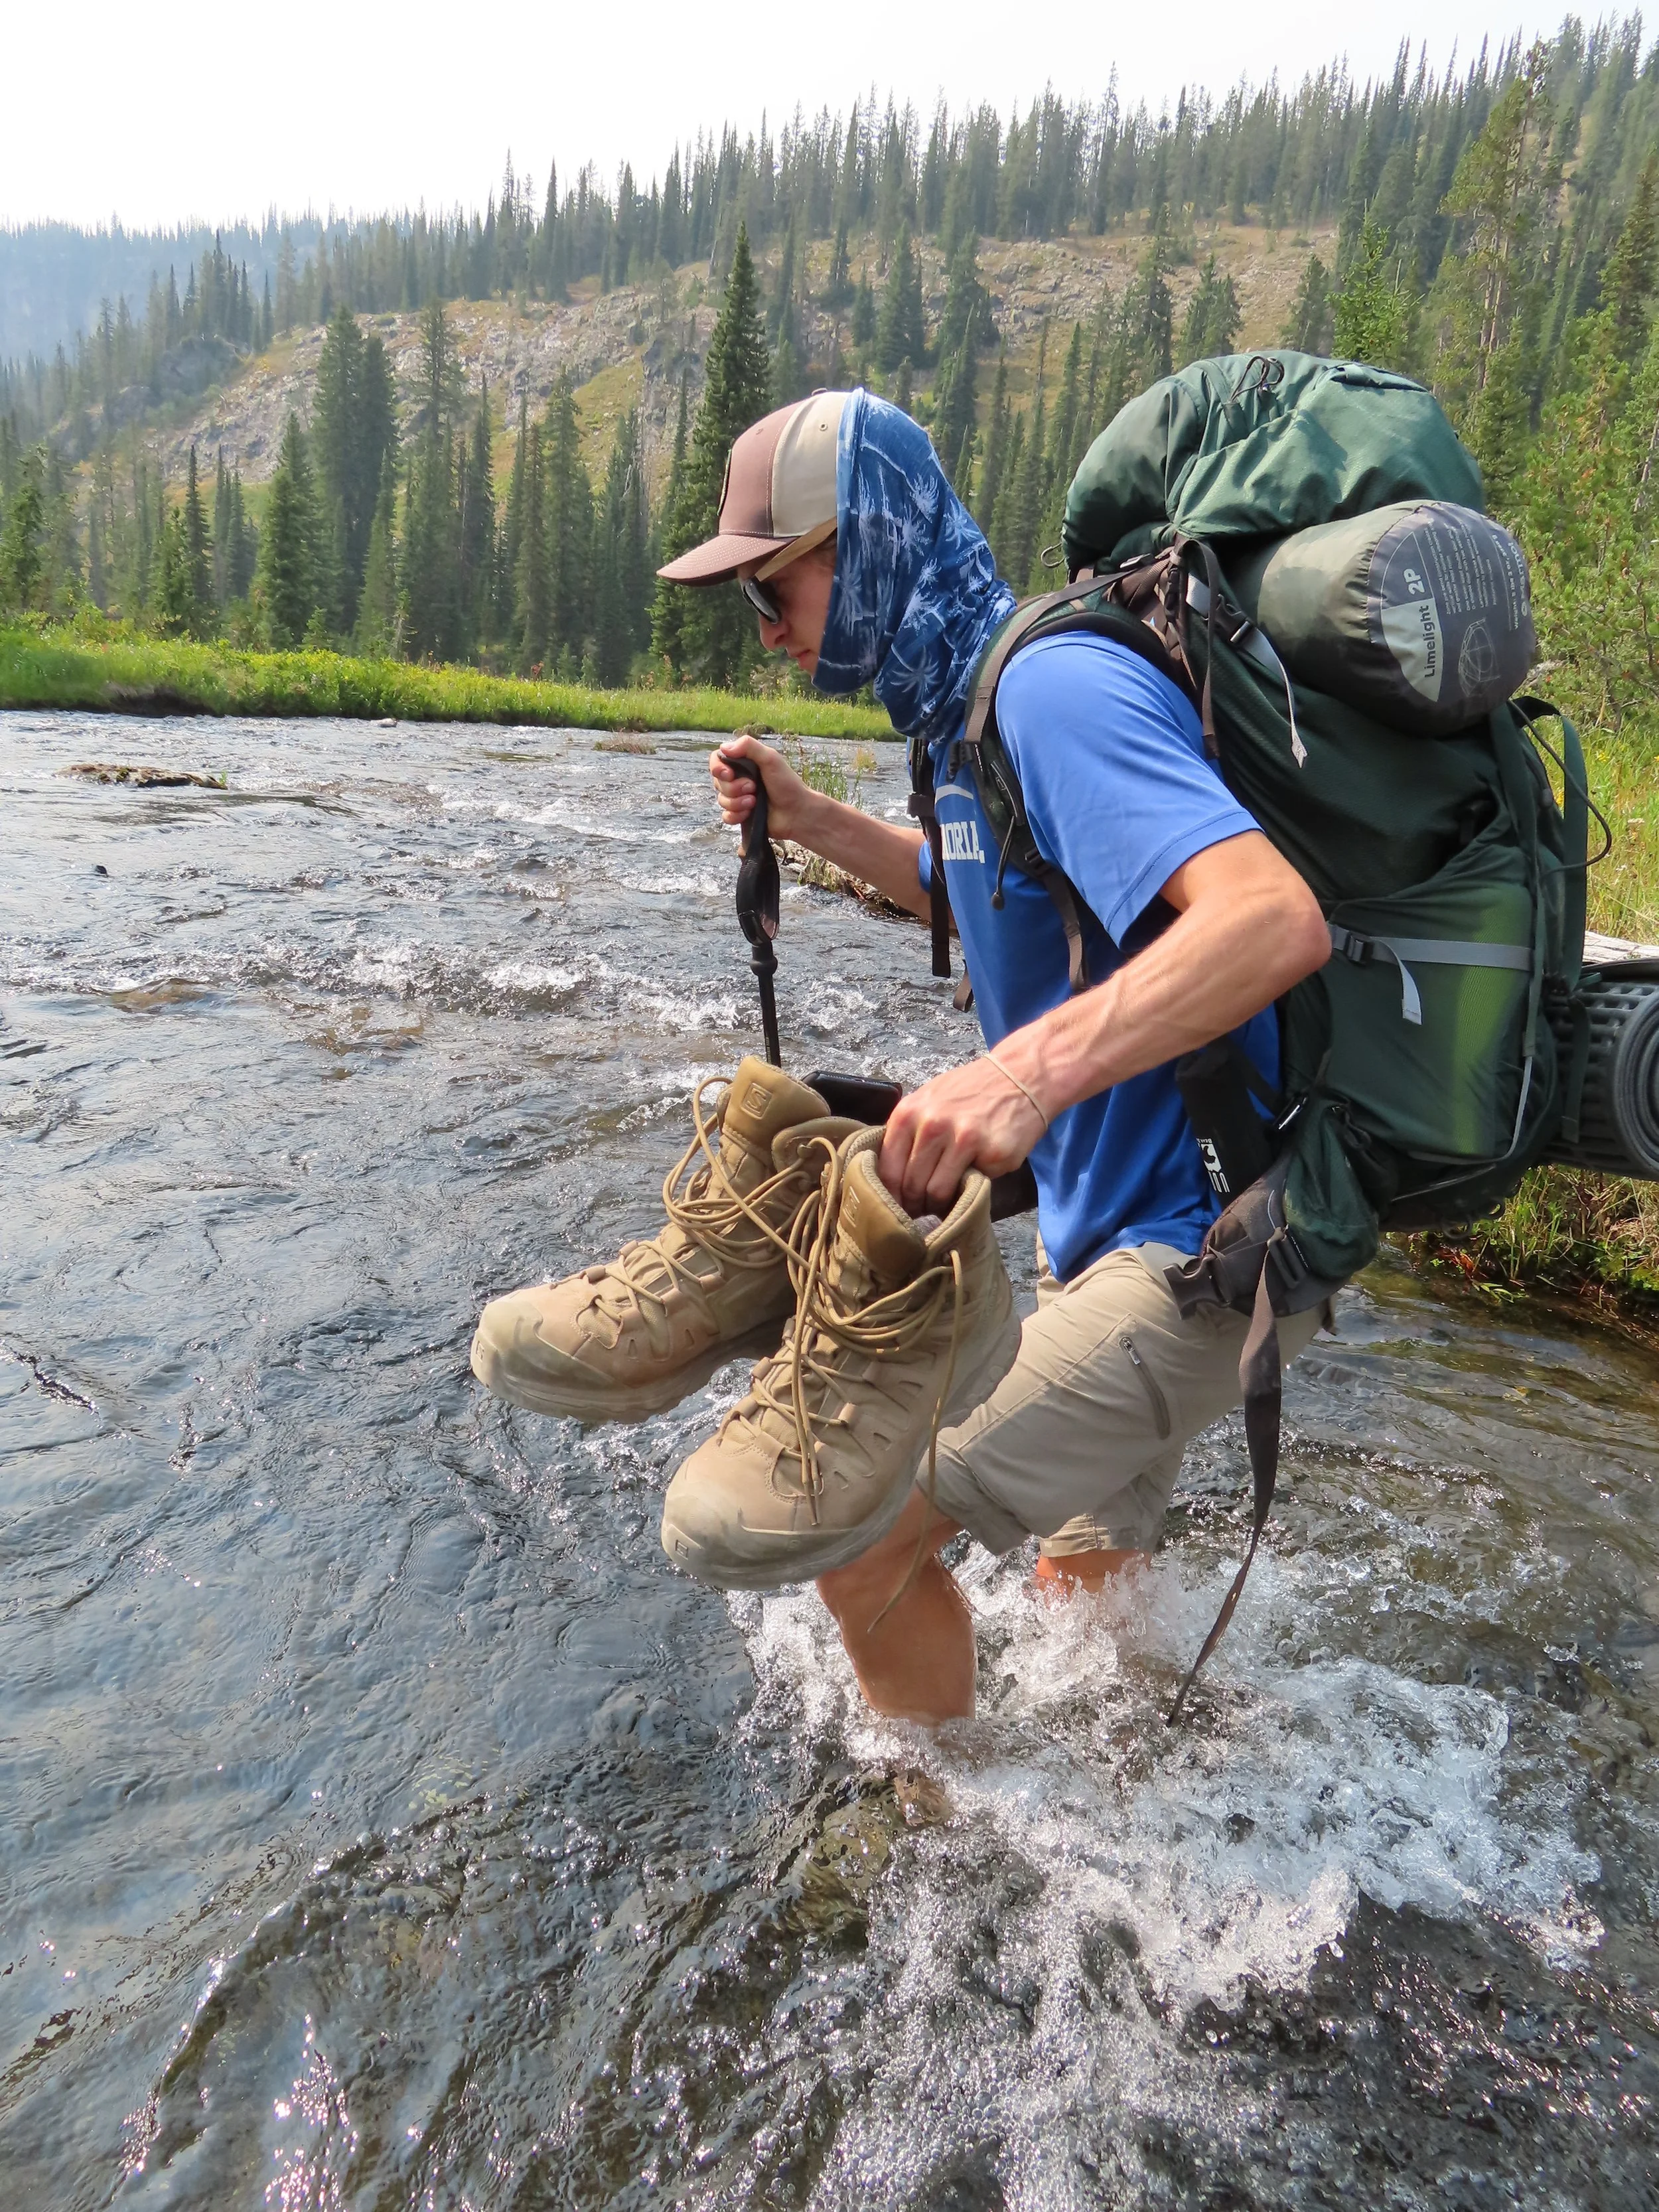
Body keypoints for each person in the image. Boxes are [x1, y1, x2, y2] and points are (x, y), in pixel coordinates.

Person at [654, 385, 1332, 1724]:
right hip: (1120, 1240)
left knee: (853, 1527)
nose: (767, 633)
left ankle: (931, 1843)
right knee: (1090, 1622)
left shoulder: (1051, 692)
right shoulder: (962, 722)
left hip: (1207, 1244)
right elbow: (990, 894)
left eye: (771, 589)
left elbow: (1270, 919)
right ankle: (1124, 1838)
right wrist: (806, 820)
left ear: (863, 546)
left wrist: (1020, 1077)